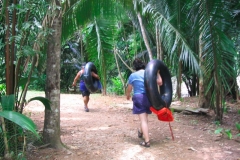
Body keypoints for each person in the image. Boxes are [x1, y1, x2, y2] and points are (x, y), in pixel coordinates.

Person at [126, 58, 162, 147]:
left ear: (134, 67)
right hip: (149, 98)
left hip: (139, 98)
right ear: (143, 65)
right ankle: (140, 131)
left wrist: (127, 95)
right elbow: (160, 82)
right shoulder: (148, 73)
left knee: (143, 120)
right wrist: (157, 73)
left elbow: (129, 89)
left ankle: (147, 141)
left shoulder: (133, 75)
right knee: (145, 119)